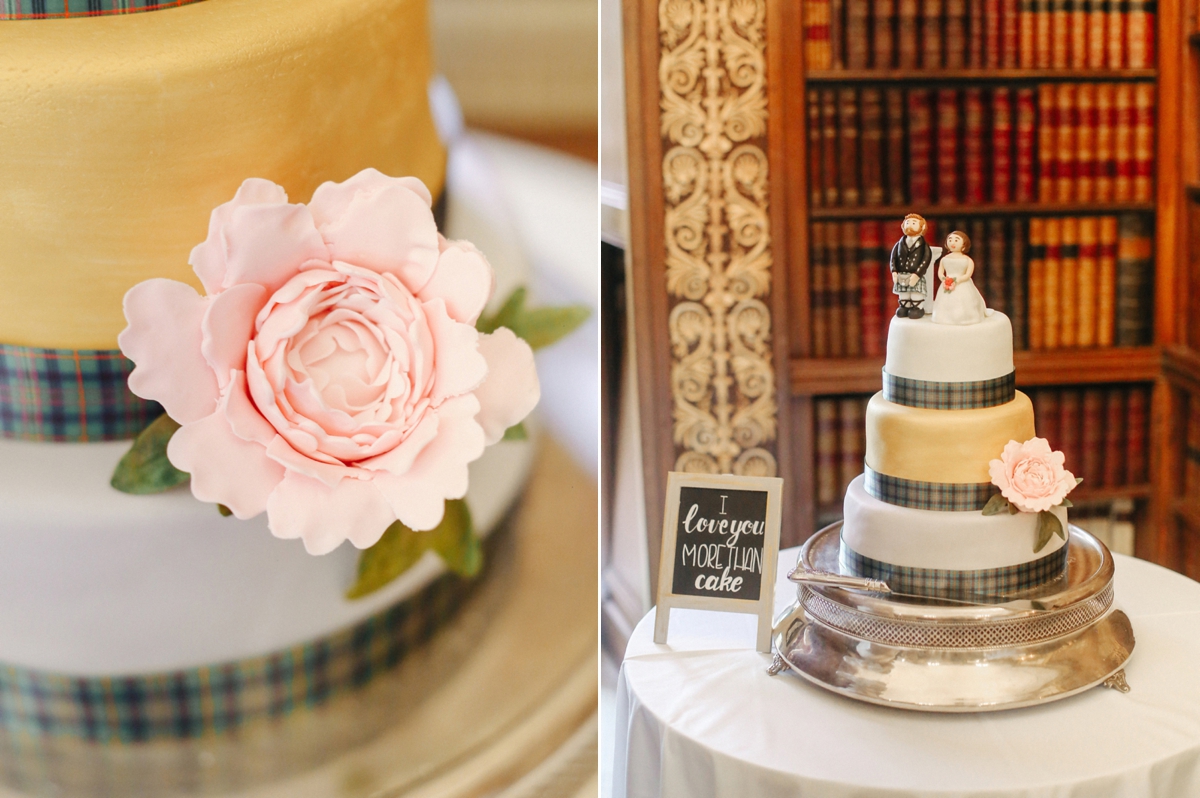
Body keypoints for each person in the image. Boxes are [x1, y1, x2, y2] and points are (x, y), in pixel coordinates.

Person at [932, 230, 988, 326]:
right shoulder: (944, 259)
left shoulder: (968, 260)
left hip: (962, 284)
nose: (952, 242)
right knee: (946, 303)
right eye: (950, 240)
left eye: (956, 240)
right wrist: (944, 279)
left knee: (963, 302)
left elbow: (968, 274)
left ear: (964, 244)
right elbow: (940, 272)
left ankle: (966, 318)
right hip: (947, 284)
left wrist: (957, 280)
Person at [888, 214, 932, 318]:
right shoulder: (900, 243)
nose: (910, 225)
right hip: (902, 274)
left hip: (915, 275)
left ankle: (917, 308)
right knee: (904, 294)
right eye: (907, 223)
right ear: (903, 226)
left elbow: (926, 259)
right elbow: (893, 258)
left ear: (922, 227)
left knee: (916, 294)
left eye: (913, 223)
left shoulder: (923, 245)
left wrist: (917, 274)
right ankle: (904, 306)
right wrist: (894, 271)